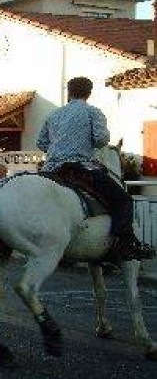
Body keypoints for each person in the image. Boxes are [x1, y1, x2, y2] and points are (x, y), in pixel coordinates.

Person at [38, 76, 152, 262]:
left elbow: (41, 142)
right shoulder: (93, 112)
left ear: (69, 92)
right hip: (80, 168)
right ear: (89, 93)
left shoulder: (53, 115)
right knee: (123, 199)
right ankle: (123, 244)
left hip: (51, 170)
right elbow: (101, 139)